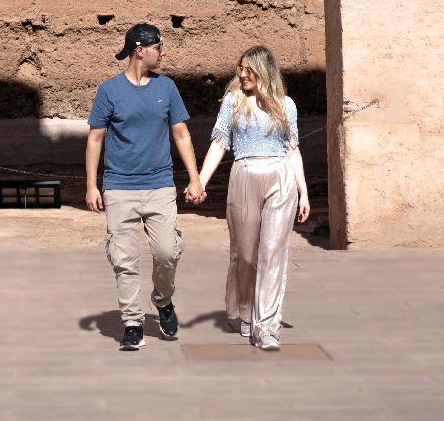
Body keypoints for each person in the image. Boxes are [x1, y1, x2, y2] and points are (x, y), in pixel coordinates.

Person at [86, 22, 205, 351]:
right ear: (141, 50)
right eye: (158, 48)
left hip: (159, 186)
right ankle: (133, 322)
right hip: (119, 187)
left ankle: (162, 301)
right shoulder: (109, 91)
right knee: (124, 259)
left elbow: (181, 134)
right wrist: (92, 185)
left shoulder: (166, 88)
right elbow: (95, 139)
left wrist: (194, 178)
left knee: (167, 251)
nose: (162, 53)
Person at [195, 45, 310, 351]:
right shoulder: (234, 102)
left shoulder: (287, 106)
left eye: (249, 69)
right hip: (245, 173)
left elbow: (292, 149)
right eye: (241, 69)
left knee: (273, 253)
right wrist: (200, 181)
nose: (243, 75)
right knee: (245, 254)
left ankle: (268, 326)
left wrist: (304, 192)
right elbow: (220, 144)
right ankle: (245, 310)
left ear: (264, 71)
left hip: (280, 177)